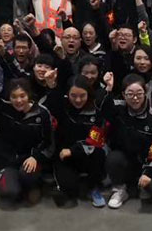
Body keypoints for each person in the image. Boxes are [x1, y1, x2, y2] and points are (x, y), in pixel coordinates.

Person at [101, 72, 152, 209]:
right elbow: (103, 108)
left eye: (139, 93)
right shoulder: (118, 109)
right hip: (124, 161)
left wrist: (149, 173)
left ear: (145, 92)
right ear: (123, 94)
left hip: (145, 163)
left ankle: (138, 184)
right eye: (130, 94)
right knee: (114, 158)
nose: (135, 98)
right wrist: (108, 88)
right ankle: (120, 189)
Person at [44, 71, 107, 208]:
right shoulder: (62, 107)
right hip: (64, 156)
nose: (78, 100)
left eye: (82, 95)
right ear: (68, 94)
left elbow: (94, 140)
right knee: (70, 190)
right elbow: (50, 106)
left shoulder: (96, 111)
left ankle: (93, 187)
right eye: (73, 95)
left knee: (99, 153)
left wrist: (73, 150)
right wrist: (51, 86)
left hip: (86, 153)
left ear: (88, 94)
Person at [0, 78, 55, 204]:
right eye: (14, 97)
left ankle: (34, 186)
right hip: (10, 160)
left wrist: (35, 156)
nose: (18, 100)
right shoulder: (4, 110)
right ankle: (14, 183)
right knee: (9, 193)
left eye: (22, 96)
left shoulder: (41, 112)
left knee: (27, 174)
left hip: (30, 159)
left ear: (28, 95)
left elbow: (48, 141)